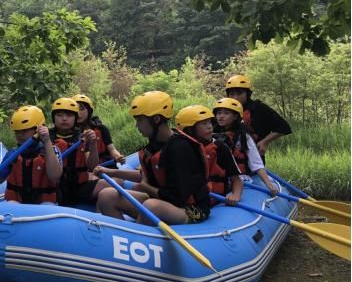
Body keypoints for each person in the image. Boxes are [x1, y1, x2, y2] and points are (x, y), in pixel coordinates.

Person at [96, 91, 211, 225]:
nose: (137, 126)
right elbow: (146, 175)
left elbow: (177, 197)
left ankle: (136, 238)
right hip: (161, 201)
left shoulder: (180, 148)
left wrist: (145, 187)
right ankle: (120, 239)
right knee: (107, 196)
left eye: (140, 120)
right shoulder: (154, 146)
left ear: (156, 119)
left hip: (190, 209)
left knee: (151, 207)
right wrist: (110, 172)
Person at [0, 105, 62, 205]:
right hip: (18, 203)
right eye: (17, 131)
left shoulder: (51, 150)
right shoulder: (13, 153)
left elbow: (55, 177)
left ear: (38, 129)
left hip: (43, 204)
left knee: (47, 205)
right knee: (10, 204)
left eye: (24, 130)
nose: (19, 135)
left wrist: (47, 141)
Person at [175, 105, 243, 206]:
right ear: (189, 129)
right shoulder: (178, 149)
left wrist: (236, 194)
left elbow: (236, 179)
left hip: (215, 199)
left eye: (210, 122)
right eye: (204, 123)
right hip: (191, 200)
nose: (210, 126)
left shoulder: (220, 148)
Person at [48, 97, 108, 206]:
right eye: (60, 115)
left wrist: (93, 144)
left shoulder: (82, 136)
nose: (64, 119)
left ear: (75, 118)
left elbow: (92, 166)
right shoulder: (46, 137)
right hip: (55, 189)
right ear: (53, 118)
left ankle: (99, 218)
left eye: (69, 115)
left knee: (108, 184)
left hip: (79, 187)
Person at [213, 98, 279, 195]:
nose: (221, 116)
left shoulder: (243, 137)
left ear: (235, 116)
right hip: (220, 179)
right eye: (218, 113)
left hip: (240, 179)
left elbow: (256, 163)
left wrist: (269, 185)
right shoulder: (211, 135)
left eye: (226, 113)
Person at [225, 75, 291, 159]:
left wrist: (265, 142)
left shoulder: (258, 108)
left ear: (248, 94)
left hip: (254, 155)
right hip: (230, 156)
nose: (235, 97)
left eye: (239, 93)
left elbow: (283, 127)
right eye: (232, 94)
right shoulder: (224, 110)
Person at [72, 94, 124, 167]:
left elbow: (112, 149)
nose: (78, 113)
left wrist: (118, 157)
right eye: (75, 110)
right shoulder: (73, 134)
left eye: (81, 108)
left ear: (89, 111)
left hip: (107, 166)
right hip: (88, 169)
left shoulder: (102, 128)